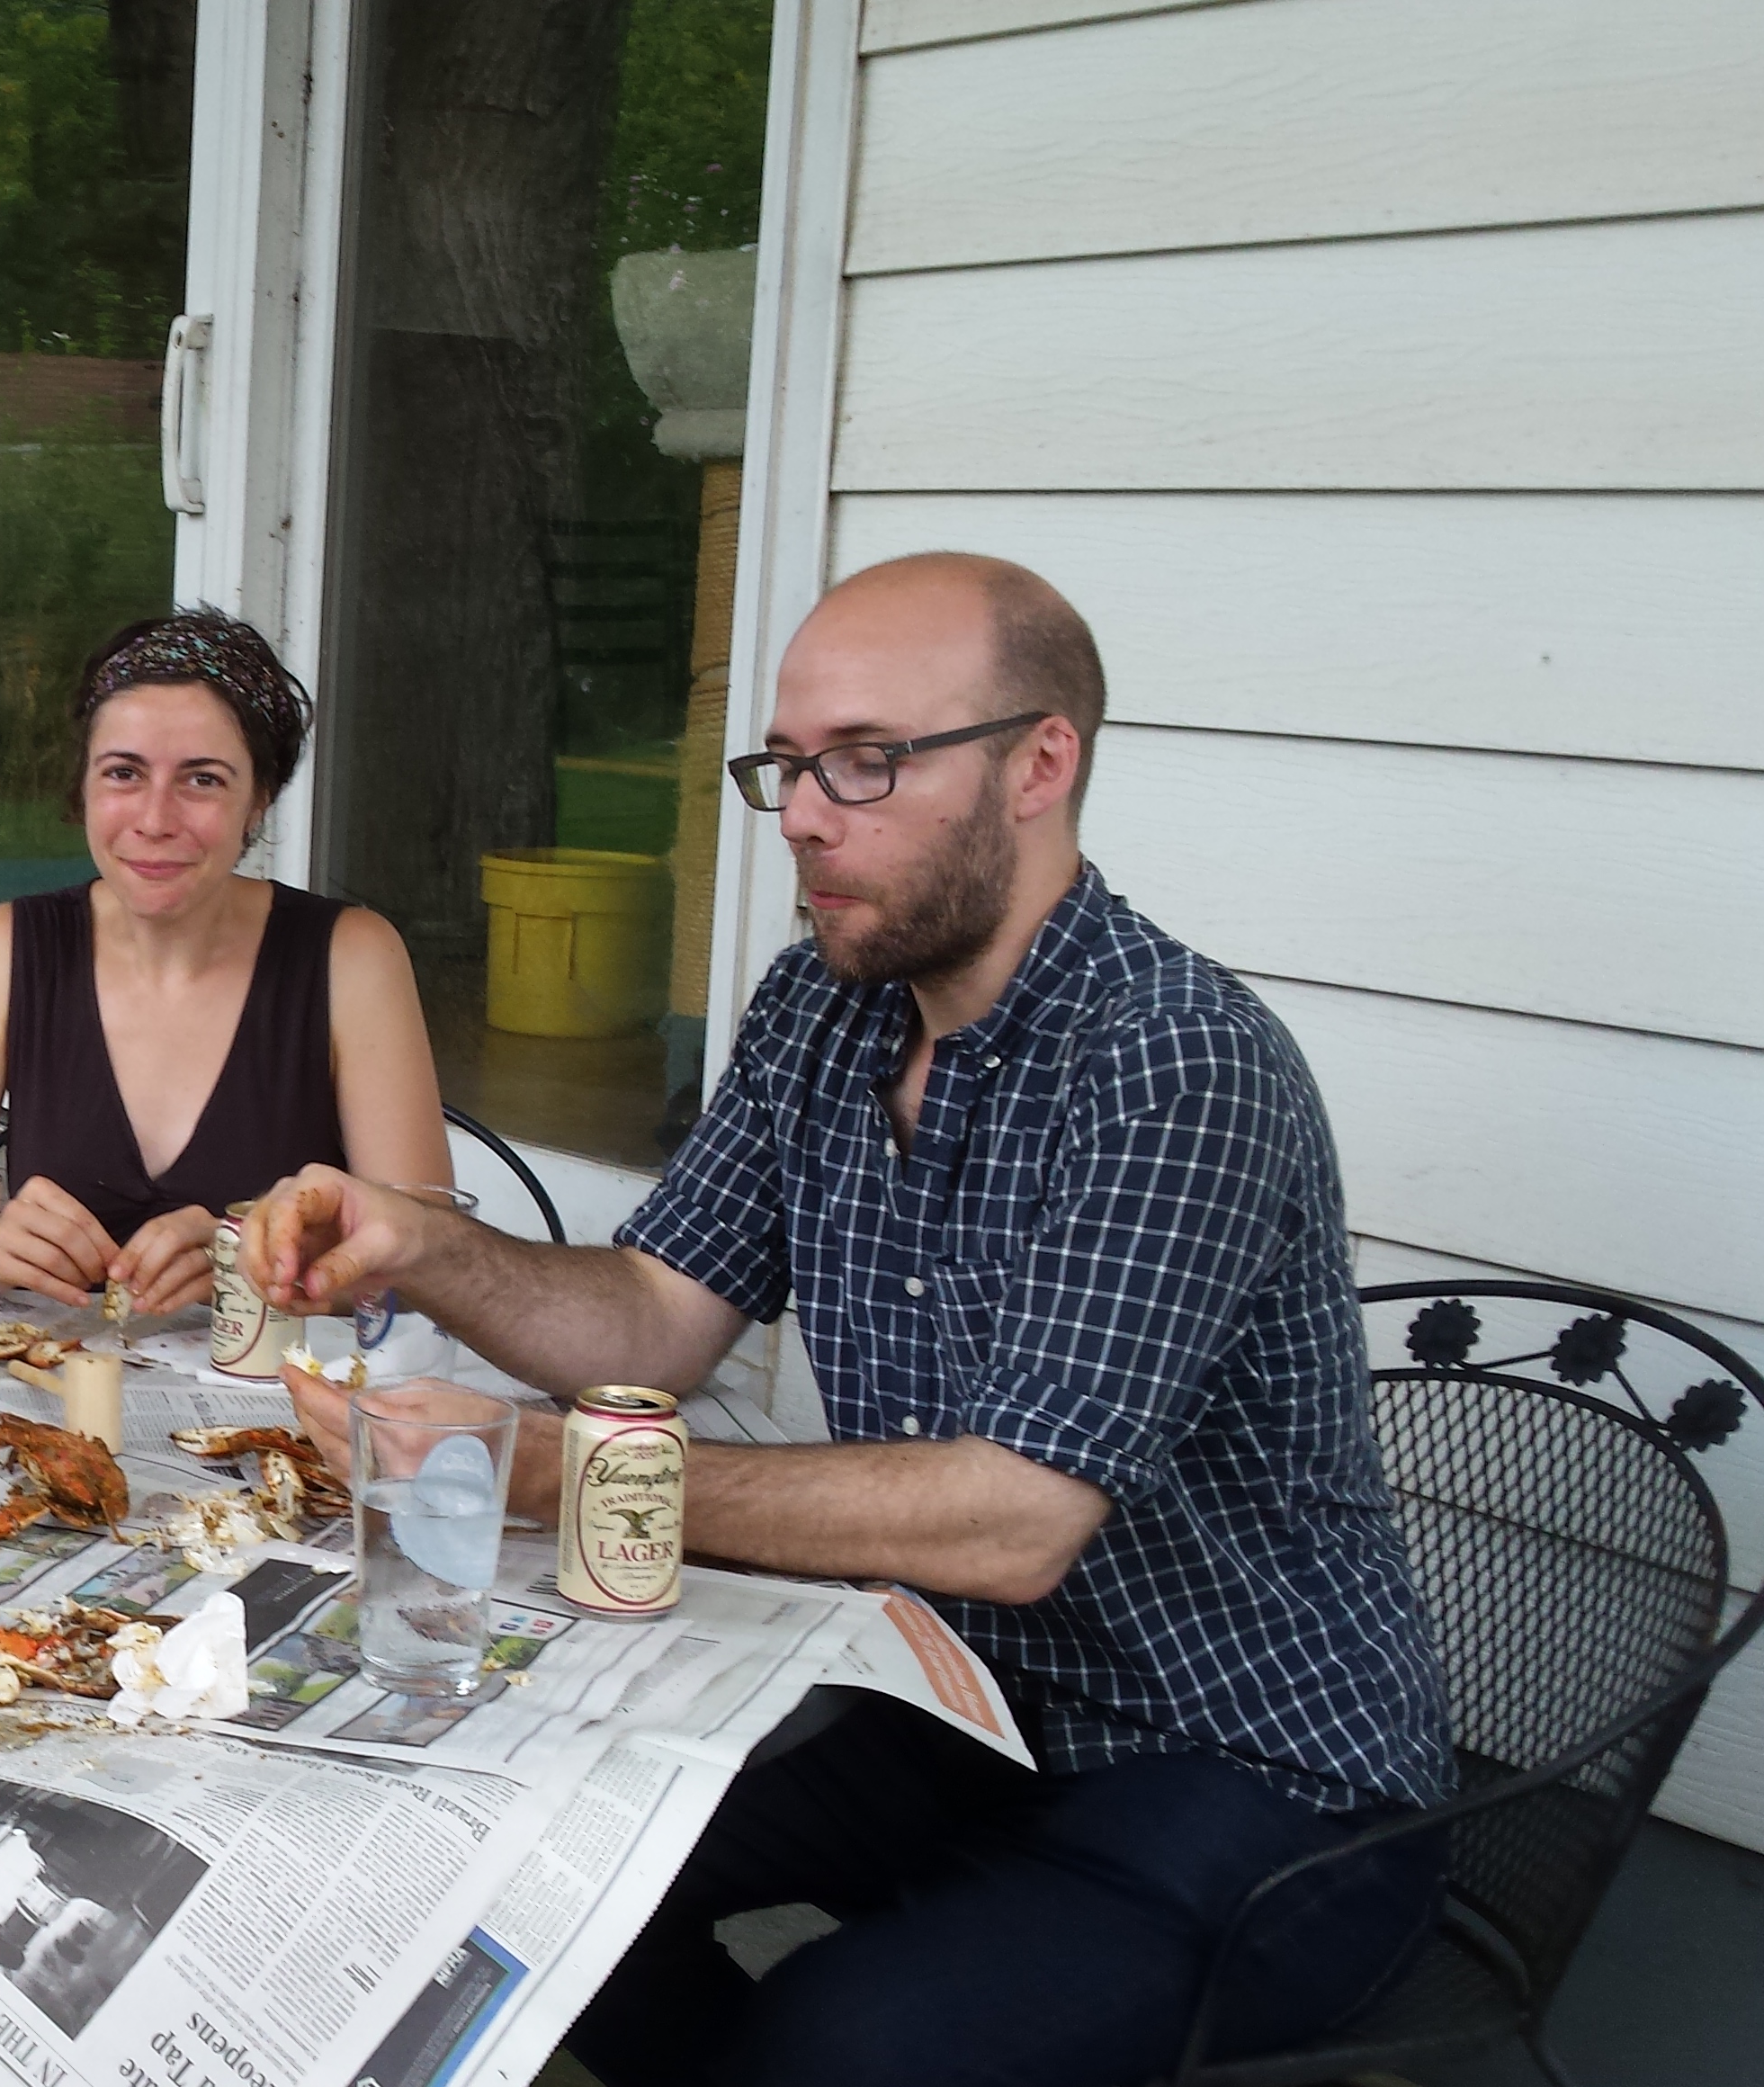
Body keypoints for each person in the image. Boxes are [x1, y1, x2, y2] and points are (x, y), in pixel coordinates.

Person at [242, 554, 1451, 2087]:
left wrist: (551, 1470)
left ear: (1039, 765)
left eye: (866, 761)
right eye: (787, 765)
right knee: (507, 1863)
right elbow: (651, 1321)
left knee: (836, 2047)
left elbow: (1013, 1520)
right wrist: (422, 1244)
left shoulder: (1174, 1063)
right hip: (953, 1699)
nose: (805, 814)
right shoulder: (825, 1008)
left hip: (1246, 1771)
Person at [0, 608, 447, 1315]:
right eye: (124, 773)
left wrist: (251, 1265)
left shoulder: (351, 958)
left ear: (258, 800)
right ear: (84, 787)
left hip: (280, 1383)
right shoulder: (7, 949)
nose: (156, 819)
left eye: (202, 780)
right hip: (51, 1377)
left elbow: (434, 1274)